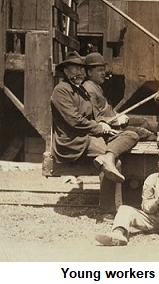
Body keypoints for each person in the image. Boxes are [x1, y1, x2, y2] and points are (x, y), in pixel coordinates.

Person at [50, 51, 139, 220]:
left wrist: (106, 123)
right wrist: (99, 127)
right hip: (74, 139)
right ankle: (107, 211)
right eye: (73, 69)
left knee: (131, 135)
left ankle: (108, 156)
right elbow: (75, 121)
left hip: (90, 134)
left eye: (80, 69)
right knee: (116, 164)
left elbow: (93, 115)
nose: (78, 73)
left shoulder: (81, 90)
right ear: (65, 71)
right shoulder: (61, 91)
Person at [95, 147, 159, 250]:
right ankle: (118, 234)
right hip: (153, 218)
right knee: (124, 209)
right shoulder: (151, 180)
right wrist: (158, 200)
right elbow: (146, 209)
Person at [83, 51, 156, 141]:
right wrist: (116, 120)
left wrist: (118, 115)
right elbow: (95, 118)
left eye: (103, 69)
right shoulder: (89, 89)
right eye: (99, 70)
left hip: (115, 120)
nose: (103, 73)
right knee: (143, 132)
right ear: (90, 72)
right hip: (110, 128)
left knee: (143, 121)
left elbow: (105, 109)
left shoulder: (96, 86)